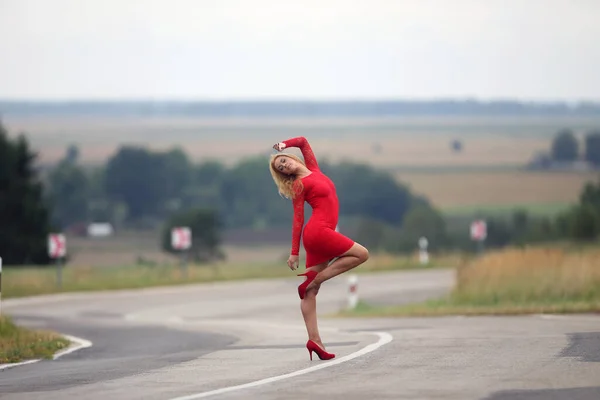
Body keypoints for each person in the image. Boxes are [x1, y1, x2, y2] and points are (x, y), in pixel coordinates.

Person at [269, 136, 369, 361]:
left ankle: (315, 341)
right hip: (318, 232)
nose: (284, 165)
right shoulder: (298, 185)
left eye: (283, 161)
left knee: (309, 293)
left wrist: (283, 144)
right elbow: (297, 219)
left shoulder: (313, 168)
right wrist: (294, 252)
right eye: (280, 167)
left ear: (291, 157)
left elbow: (303, 141)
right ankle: (315, 280)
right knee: (362, 254)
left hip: (320, 234)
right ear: (284, 174)